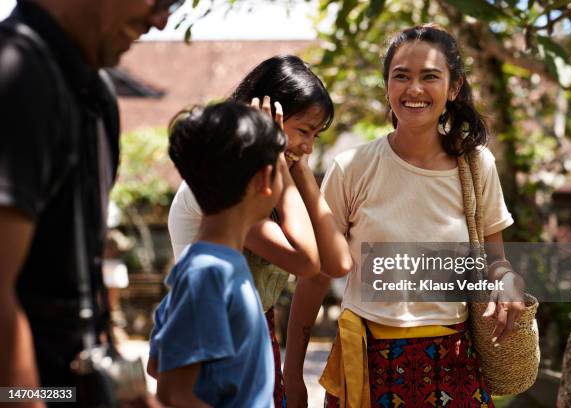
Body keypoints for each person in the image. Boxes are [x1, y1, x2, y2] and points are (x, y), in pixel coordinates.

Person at [283, 25, 526, 407]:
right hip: (366, 366)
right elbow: (315, 276)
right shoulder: (352, 168)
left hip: (454, 366)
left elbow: (495, 262)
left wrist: (508, 281)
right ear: (387, 87)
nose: (414, 89)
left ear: (453, 88)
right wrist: (292, 373)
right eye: (401, 76)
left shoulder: (477, 166)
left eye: (430, 76)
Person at [0, 0, 177, 403]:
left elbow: (77, 288)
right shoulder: (17, 74)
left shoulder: (95, 97)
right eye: (161, 0)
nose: (161, 21)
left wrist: (126, 393)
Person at [163, 55, 353, 407]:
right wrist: (278, 159)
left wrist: (298, 172)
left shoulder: (274, 191)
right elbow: (306, 261)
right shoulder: (224, 196)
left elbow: (337, 263)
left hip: (258, 342)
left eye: (316, 135)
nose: (309, 147)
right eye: (303, 132)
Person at [149, 101, 287, 407]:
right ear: (264, 180)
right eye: (282, 168)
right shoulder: (210, 272)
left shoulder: (213, 266)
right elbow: (175, 392)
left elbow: (158, 364)